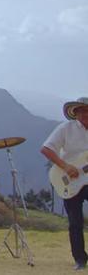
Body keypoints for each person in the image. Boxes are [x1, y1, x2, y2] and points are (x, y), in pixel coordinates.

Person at [41, 97, 88, 270]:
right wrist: (66, 166)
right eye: (81, 110)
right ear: (75, 113)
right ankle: (80, 260)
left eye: (87, 110)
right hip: (68, 180)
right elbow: (46, 149)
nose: (84, 113)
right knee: (75, 222)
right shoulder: (65, 129)